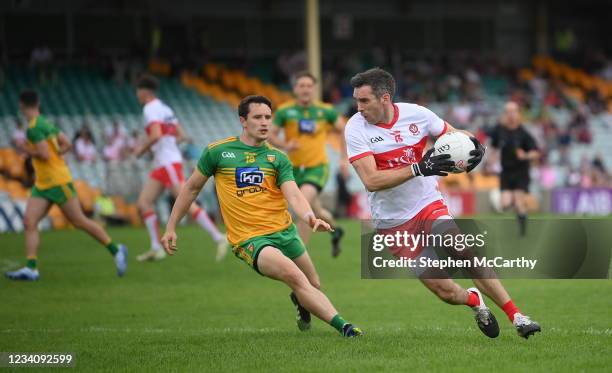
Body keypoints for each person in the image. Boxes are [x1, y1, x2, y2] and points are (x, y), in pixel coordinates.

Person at [345, 68, 540, 339]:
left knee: (464, 252)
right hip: (393, 223)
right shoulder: (355, 127)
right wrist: (417, 168)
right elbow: (371, 180)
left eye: (364, 101)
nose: (359, 107)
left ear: (385, 98)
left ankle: (517, 316)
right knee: (445, 291)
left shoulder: (418, 115)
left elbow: (454, 135)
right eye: (357, 100)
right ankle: (475, 302)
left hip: (427, 204)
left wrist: (474, 146)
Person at [160, 95, 362, 337]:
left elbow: (295, 196)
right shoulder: (218, 152)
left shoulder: (277, 158)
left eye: (268, 117)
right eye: (258, 117)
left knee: (313, 284)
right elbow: (191, 188)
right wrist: (171, 226)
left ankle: (301, 301)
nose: (265, 122)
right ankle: (346, 328)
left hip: (285, 232)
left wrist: (309, 218)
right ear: (243, 121)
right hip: (250, 239)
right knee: (296, 277)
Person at [5, 90, 127, 281]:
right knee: (29, 221)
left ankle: (116, 249)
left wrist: (26, 149)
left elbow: (44, 154)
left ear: (21, 105)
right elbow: (67, 144)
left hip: (57, 182)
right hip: (44, 183)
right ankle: (31, 268)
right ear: (37, 104)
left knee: (79, 221)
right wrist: (56, 157)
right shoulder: (46, 123)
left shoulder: (34, 128)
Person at [133, 74, 228, 262]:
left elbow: (155, 135)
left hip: (167, 163)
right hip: (165, 162)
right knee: (144, 203)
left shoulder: (149, 109)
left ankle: (219, 237)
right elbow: (182, 135)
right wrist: (167, 145)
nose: (137, 95)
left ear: (143, 91)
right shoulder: (165, 108)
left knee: (185, 201)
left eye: (137, 91)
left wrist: (140, 150)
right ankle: (155, 247)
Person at [269, 71, 348, 257]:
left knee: (301, 207)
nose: (305, 89)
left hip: (317, 167)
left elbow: (344, 129)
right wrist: (285, 145)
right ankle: (336, 231)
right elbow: (271, 135)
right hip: (293, 169)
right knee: (317, 211)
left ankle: (298, 255)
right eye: (301, 86)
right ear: (295, 89)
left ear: (314, 89)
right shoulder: (284, 111)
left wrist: (344, 159)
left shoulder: (325, 111)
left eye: (308, 86)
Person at [489, 101, 539, 236]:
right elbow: (493, 147)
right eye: (508, 112)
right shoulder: (499, 130)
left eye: (513, 111)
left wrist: (526, 155)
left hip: (521, 171)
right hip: (506, 172)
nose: (510, 114)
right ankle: (518, 208)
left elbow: (536, 152)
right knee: (504, 204)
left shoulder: (524, 133)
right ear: (504, 114)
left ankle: (523, 232)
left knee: (518, 201)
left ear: (518, 114)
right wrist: (490, 161)